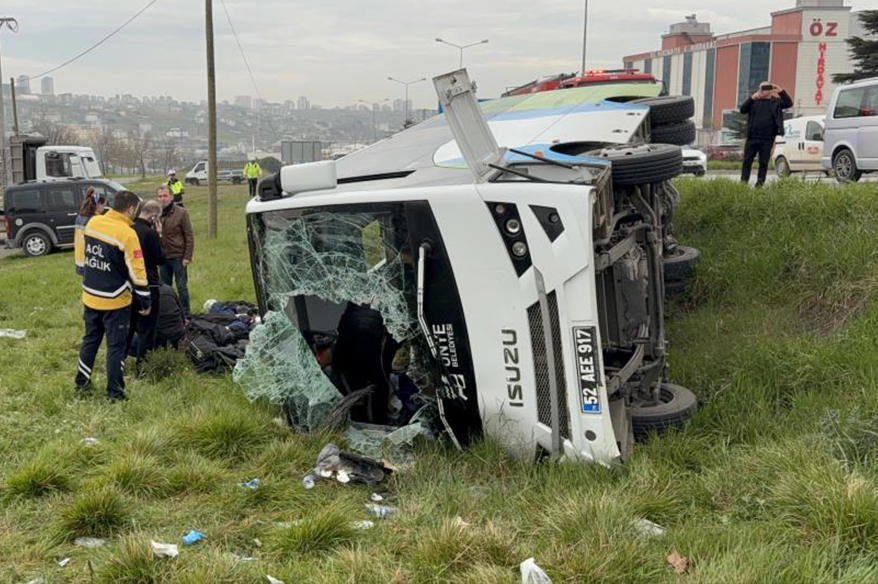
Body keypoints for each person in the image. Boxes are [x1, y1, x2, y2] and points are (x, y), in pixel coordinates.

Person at [75, 190, 150, 401]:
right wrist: (145, 301)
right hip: (115, 300)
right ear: (131, 209)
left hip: (90, 295)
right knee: (116, 347)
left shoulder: (93, 223)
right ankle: (115, 393)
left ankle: (81, 383)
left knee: (90, 340)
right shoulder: (127, 234)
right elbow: (138, 272)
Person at [126, 199, 165, 372]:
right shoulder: (151, 234)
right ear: (153, 216)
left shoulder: (128, 229)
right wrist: (160, 235)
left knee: (128, 327)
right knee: (147, 329)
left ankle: (119, 362)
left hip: (128, 284)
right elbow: (160, 259)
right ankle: (142, 368)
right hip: (149, 285)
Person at [739, 81, 793, 187]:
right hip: (752, 138)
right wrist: (751, 98)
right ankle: (743, 184)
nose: (761, 90)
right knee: (747, 162)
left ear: (770, 90)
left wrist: (781, 91)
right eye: (760, 88)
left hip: (767, 139)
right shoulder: (754, 101)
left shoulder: (775, 102)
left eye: (764, 88)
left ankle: (759, 185)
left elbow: (788, 103)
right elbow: (742, 110)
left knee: (763, 163)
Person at [157, 185, 194, 317]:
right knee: (165, 289)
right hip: (163, 257)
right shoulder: (156, 214)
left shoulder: (181, 212)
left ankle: (186, 314)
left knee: (181, 287)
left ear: (171, 197)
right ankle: (170, 314)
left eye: (165, 196)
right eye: (160, 196)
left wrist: (187, 256)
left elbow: (189, 235)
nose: (162, 199)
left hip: (178, 256)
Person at [74, 187, 107, 276]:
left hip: (80, 258)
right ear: (98, 205)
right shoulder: (96, 220)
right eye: (103, 206)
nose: (103, 209)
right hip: (91, 261)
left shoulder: (79, 217)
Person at [154, 283, 186, 350]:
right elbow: (182, 314)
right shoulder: (169, 289)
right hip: (178, 334)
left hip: (158, 338)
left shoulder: (143, 295)